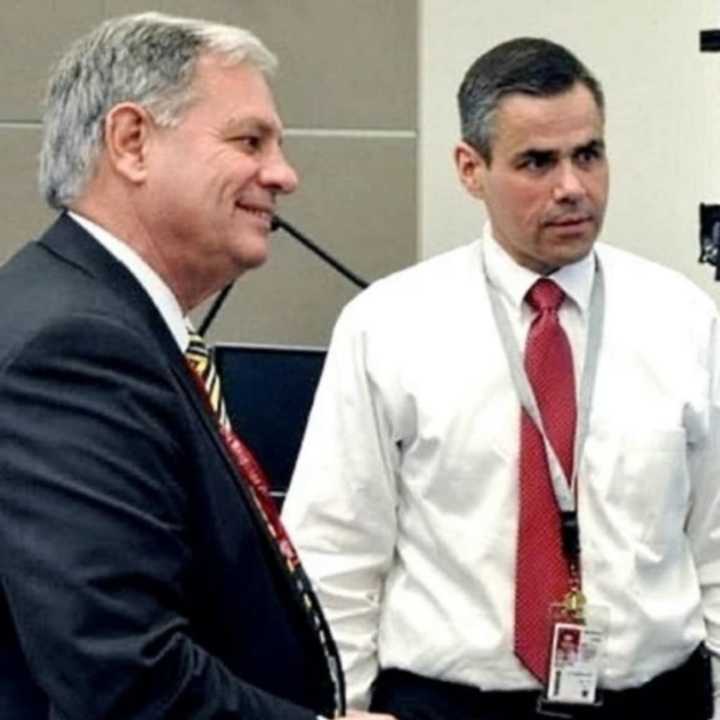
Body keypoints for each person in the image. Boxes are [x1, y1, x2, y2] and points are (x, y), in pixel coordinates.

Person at [283, 37, 720, 720]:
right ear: (470, 168)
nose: (572, 186)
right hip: (451, 703)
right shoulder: (389, 325)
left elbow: (716, 543)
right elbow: (336, 548)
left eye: (589, 154)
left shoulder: (684, 321)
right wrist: (342, 706)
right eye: (537, 162)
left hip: (655, 699)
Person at [0, 12, 395, 720]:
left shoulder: (105, 319)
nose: (284, 175)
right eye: (249, 140)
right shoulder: (73, 348)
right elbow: (120, 674)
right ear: (131, 143)